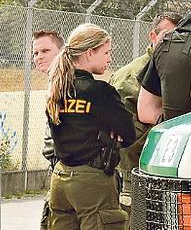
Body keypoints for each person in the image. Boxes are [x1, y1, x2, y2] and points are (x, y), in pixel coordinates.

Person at [46, 23, 135, 229]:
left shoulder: (58, 89)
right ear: (89, 53)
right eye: (106, 52)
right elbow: (128, 133)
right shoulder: (100, 91)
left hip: (60, 179)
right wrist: (108, 132)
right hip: (92, 182)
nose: (109, 58)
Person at [108, 12, 180, 216]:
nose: (172, 42)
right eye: (167, 35)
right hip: (135, 175)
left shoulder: (182, 70)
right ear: (153, 36)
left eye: (178, 37)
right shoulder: (128, 79)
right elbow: (121, 137)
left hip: (170, 173)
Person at [33, 30, 63, 230]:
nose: (39, 57)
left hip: (66, 167)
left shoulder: (65, 83)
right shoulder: (54, 82)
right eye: (35, 53)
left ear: (61, 52)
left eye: (45, 50)